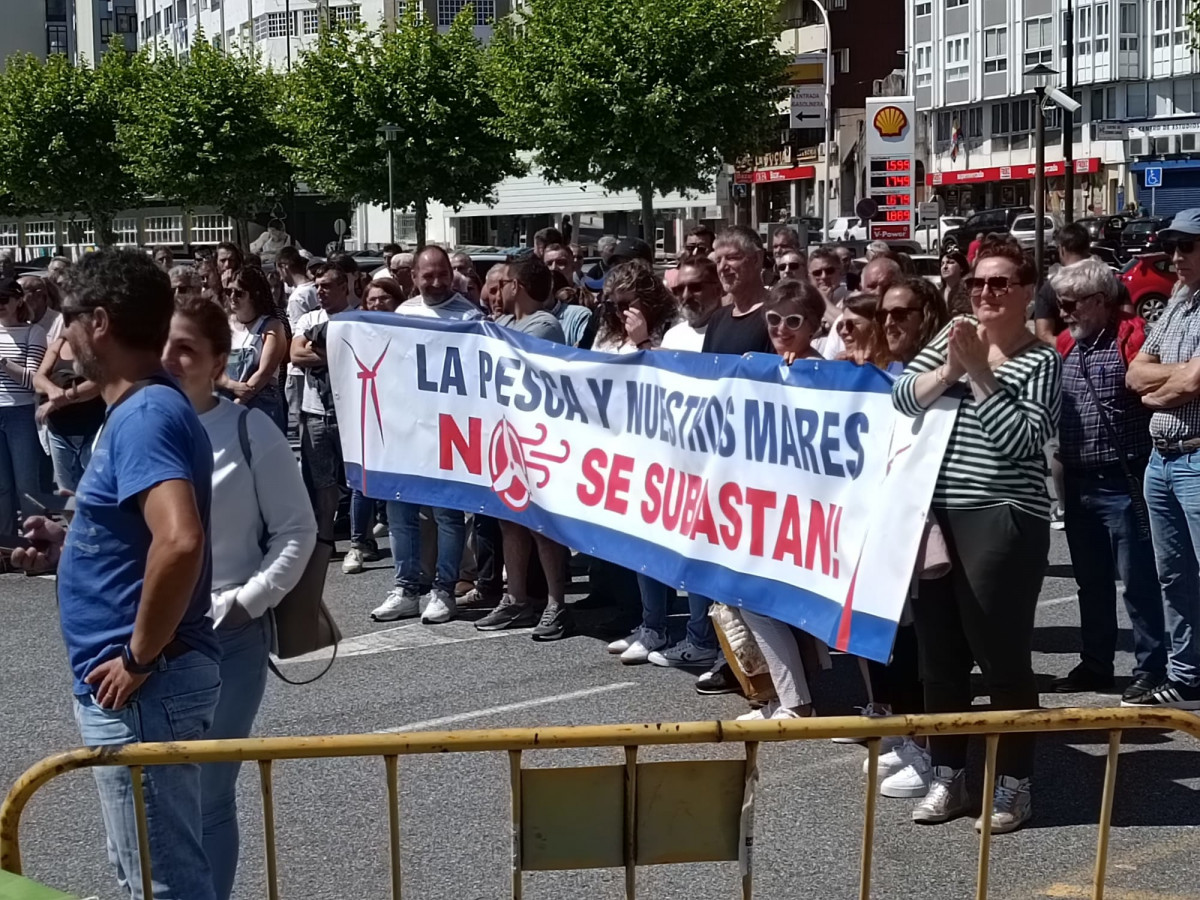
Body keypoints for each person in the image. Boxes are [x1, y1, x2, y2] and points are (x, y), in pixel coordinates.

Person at [13, 249, 220, 900]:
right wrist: (71, 541)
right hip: (144, 688)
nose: (61, 335)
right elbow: (142, 531)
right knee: (148, 871)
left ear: (99, 321)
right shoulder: (137, 409)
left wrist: (137, 656)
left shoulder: (145, 414)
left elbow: (180, 539)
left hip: (144, 688)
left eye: (68, 318)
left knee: (161, 884)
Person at [892, 235, 1061, 833]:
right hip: (937, 517)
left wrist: (980, 374)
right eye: (978, 283)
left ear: (1026, 292)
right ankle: (948, 778)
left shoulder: (1041, 360)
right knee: (939, 657)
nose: (986, 293)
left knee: (1000, 655)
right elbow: (902, 396)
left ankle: (1015, 785)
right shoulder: (954, 334)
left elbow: (1019, 441)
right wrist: (950, 367)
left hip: (1002, 513)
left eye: (1001, 284)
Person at [163, 296, 316, 900]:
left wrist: (247, 602)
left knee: (207, 794)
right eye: (162, 346)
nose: (171, 361)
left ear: (219, 359)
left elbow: (297, 531)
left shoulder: (251, 430)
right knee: (151, 794)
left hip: (227, 638)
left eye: (187, 349)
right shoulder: (124, 428)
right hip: (145, 642)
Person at [1047, 259, 1165, 703]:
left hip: (1123, 479)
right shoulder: (1065, 344)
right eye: (1061, 304)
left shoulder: (1131, 338)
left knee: (1138, 581)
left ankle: (1151, 667)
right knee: (1090, 580)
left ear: (1098, 302)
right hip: (1078, 482)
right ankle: (1096, 663)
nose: (1065, 312)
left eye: (1071, 304)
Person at [733, 280, 831, 720]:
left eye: (794, 321)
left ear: (813, 324)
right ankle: (782, 695)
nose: (782, 329)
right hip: (764, 500)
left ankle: (796, 700)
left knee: (762, 599)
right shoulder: (769, 365)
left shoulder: (820, 370)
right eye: (774, 320)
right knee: (752, 598)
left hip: (804, 505)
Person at [371, 247, 483, 625]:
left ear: (452, 274)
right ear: (413, 278)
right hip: (406, 428)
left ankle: (444, 589)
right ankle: (405, 588)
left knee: (447, 515)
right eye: (427, 276)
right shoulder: (404, 314)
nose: (435, 283)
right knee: (400, 511)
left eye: (442, 275)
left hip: (448, 429)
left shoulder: (470, 316)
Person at [473, 257, 573, 640]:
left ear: (518, 285)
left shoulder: (543, 324)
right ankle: (517, 598)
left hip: (538, 437)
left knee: (541, 523)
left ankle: (556, 603)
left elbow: (524, 364)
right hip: (504, 435)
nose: (496, 293)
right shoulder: (503, 324)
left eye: (503, 284)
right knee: (509, 519)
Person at [1125, 209, 1200, 710]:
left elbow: (1195, 382)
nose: (1176, 259)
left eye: (1187, 248)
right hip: (1162, 459)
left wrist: (1166, 386)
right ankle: (1187, 675)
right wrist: (1171, 383)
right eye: (1172, 248)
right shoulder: (1177, 302)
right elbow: (1136, 372)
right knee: (1172, 574)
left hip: (1195, 458)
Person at [291, 263, 353, 548]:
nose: (320, 291)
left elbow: (360, 357)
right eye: (317, 286)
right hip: (314, 411)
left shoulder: (358, 319)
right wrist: (338, 355)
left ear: (344, 287)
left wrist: (321, 351)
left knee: (356, 482)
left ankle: (359, 542)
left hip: (350, 411)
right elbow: (296, 356)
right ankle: (325, 540)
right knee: (322, 481)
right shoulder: (308, 319)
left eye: (326, 286)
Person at [0, 277, 52, 532]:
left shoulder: (34, 332)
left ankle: (37, 541)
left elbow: (33, 380)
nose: (0, 305)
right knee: (1, 486)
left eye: (4, 299)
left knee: (26, 484)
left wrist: (2, 362)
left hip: (20, 412)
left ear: (18, 300)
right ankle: (6, 545)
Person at [33, 323, 104, 493]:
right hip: (59, 432)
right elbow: (38, 380)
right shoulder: (58, 345)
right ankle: (71, 521)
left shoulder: (99, 347)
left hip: (91, 431)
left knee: (96, 490)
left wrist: (58, 400)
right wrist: (53, 390)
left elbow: (97, 384)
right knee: (66, 494)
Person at [219, 266, 288, 433]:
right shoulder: (222, 324)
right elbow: (209, 368)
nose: (233, 297)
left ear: (255, 295)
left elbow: (265, 371)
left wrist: (239, 402)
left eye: (239, 293)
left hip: (262, 404)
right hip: (225, 400)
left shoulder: (272, 326)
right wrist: (231, 385)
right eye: (229, 292)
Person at [702, 226, 772, 356]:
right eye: (718, 261)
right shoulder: (717, 319)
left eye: (732, 258)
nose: (722, 267)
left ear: (756, 259)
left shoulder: (777, 315)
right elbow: (706, 370)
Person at [592, 259, 677, 353]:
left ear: (647, 301)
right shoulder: (607, 332)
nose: (618, 313)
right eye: (611, 305)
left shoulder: (669, 330)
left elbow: (668, 363)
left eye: (623, 306)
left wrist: (643, 342)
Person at [1035, 223, 1093, 345]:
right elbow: (1129, 324)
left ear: (1061, 249)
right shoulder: (1111, 283)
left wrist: (1071, 351)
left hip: (1065, 360)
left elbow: (1043, 335)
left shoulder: (1050, 288)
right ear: (1088, 247)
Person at [880, 277, 950, 364]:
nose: (888, 323)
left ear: (927, 315)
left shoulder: (948, 371)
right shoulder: (891, 368)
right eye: (882, 315)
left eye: (899, 313)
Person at [661, 256, 723, 351]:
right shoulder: (672, 337)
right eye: (680, 289)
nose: (686, 296)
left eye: (695, 287)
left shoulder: (731, 335)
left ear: (718, 290)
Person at [836, 292, 894, 367]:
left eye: (850, 325)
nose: (842, 332)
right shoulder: (842, 364)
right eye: (840, 326)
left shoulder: (897, 367)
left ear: (875, 327)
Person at [18, 273, 63, 339]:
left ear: (39, 295)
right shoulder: (15, 321)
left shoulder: (61, 323)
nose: (16, 300)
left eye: (20, 294)